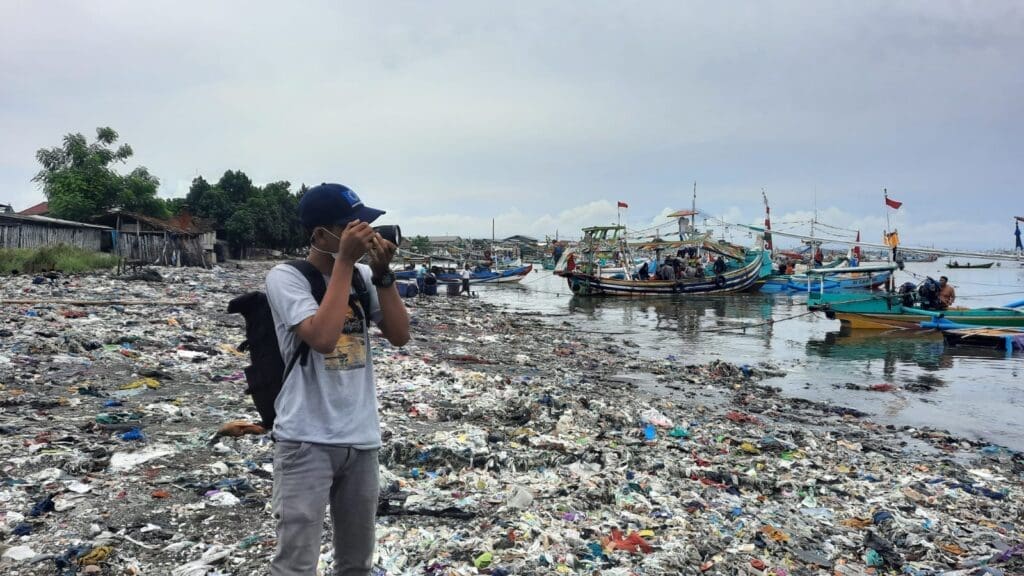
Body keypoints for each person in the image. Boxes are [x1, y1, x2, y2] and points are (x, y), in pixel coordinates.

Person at [264, 183, 410, 576]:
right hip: (305, 440)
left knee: (356, 563)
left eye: (365, 225)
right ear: (320, 234)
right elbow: (323, 339)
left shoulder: (363, 277)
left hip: (361, 440)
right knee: (296, 561)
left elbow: (399, 334)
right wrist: (344, 262)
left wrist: (382, 274)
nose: (364, 233)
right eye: (350, 226)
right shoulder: (286, 277)